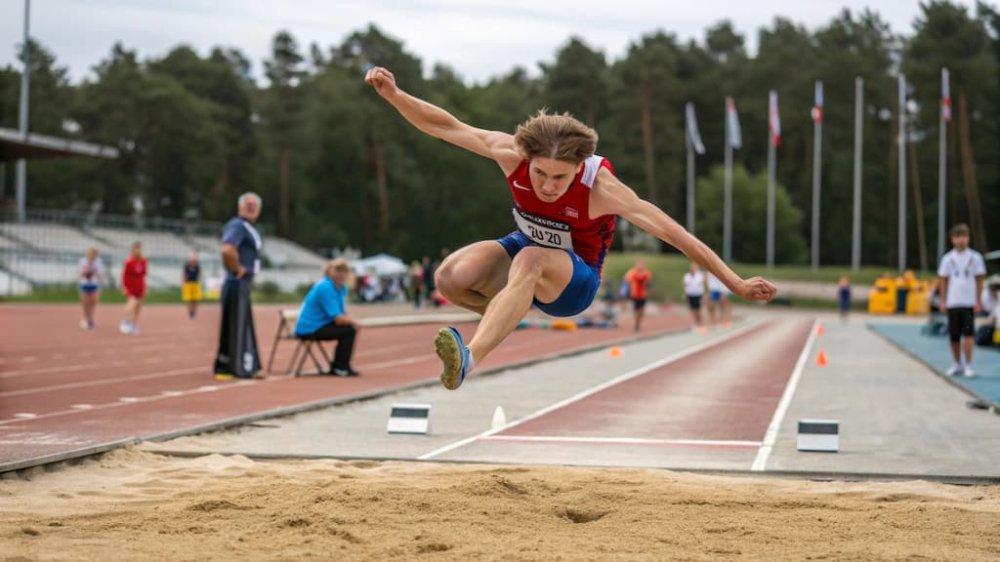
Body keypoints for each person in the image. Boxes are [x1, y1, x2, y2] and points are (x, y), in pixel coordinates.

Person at [364, 66, 776, 390]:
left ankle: (469, 359)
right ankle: (509, 314)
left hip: (574, 280)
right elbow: (446, 126)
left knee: (530, 257)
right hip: (524, 251)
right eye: (540, 174)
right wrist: (396, 97)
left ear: (579, 168)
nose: (546, 186)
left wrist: (734, 282)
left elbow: (676, 235)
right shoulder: (511, 153)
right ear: (527, 157)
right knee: (450, 277)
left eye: (559, 178)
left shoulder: (603, 188)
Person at [214, 192, 264, 380]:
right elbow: (227, 248)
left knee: (238, 324)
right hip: (237, 282)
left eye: (254, 206)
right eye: (247, 204)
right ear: (240, 207)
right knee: (238, 325)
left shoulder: (248, 227)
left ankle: (230, 365)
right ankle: (238, 367)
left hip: (241, 283)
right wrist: (237, 268)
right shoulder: (238, 225)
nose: (251, 208)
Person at [294, 259, 361, 376]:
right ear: (329, 272)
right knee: (349, 331)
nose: (341, 274)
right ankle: (340, 366)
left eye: (344, 271)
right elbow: (338, 319)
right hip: (310, 328)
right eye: (337, 270)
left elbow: (341, 312)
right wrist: (354, 322)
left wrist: (350, 320)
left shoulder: (341, 288)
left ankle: (340, 365)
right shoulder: (325, 287)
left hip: (322, 324)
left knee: (349, 328)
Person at [937, 223, 986, 377]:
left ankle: (968, 365)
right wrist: (943, 300)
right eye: (958, 237)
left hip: (969, 302)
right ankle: (957, 363)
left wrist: (978, 300)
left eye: (964, 237)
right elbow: (943, 280)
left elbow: (979, 280)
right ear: (953, 239)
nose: (961, 240)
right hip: (953, 302)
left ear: (968, 238)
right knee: (954, 336)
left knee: (969, 335)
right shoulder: (947, 258)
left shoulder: (975, 257)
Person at [119, 241, 147, 335]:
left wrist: (145, 286)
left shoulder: (143, 261)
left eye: (139, 249)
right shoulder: (128, 261)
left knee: (138, 307)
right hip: (131, 286)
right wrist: (124, 287)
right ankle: (125, 322)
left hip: (140, 286)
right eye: (135, 249)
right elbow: (124, 275)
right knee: (132, 303)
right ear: (132, 250)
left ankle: (133, 325)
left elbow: (144, 274)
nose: (137, 251)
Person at [78, 247, 104, 330]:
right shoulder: (83, 261)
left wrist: (95, 272)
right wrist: (85, 271)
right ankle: (85, 318)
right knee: (85, 303)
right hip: (85, 284)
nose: (91, 255)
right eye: (90, 253)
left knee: (93, 302)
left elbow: (100, 276)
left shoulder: (98, 262)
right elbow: (80, 274)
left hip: (94, 284)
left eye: (93, 254)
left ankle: (91, 319)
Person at [624, 260, 652, 332]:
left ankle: (638, 322)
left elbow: (648, 283)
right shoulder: (632, 272)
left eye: (641, 265)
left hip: (643, 294)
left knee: (641, 309)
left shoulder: (646, 273)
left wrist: (647, 289)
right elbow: (626, 279)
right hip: (635, 294)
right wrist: (629, 286)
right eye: (638, 265)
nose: (640, 266)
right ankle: (636, 323)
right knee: (636, 309)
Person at [683, 263, 706, 328]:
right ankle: (696, 322)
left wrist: (704, 273)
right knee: (692, 309)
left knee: (697, 309)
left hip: (698, 294)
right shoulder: (687, 276)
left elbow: (703, 282)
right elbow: (685, 285)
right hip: (690, 294)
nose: (692, 269)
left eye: (694, 267)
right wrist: (685, 294)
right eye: (692, 267)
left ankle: (699, 321)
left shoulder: (700, 275)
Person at [181, 251, 202, 319]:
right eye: (192, 257)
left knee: (196, 299)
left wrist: (199, 280)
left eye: (194, 257)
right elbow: (184, 275)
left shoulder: (198, 266)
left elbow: (199, 275)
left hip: (195, 284)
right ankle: (190, 312)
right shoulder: (186, 266)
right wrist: (183, 283)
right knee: (188, 299)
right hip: (188, 284)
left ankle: (194, 312)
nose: (193, 258)